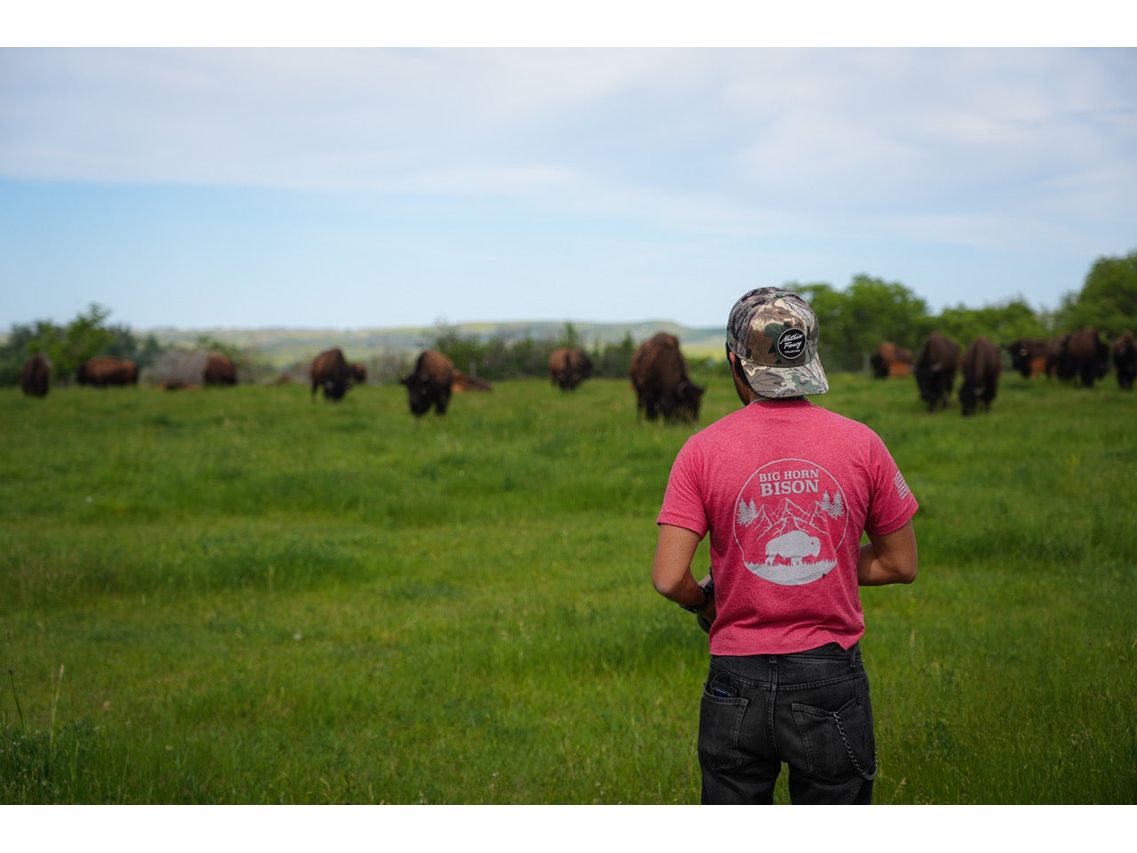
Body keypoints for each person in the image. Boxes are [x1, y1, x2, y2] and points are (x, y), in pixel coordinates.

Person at [651, 287, 919, 805]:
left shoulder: (701, 450)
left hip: (735, 681)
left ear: (736, 362)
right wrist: (829, 561)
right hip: (830, 677)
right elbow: (899, 563)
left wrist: (705, 598)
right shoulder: (863, 443)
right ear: (810, 356)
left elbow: (668, 577)